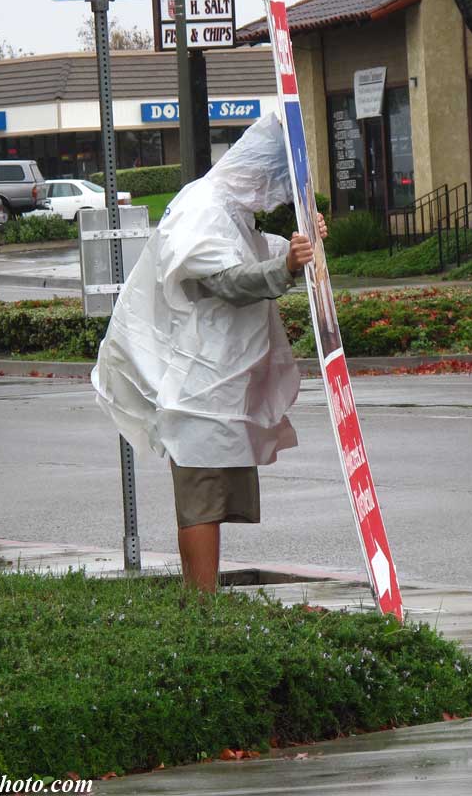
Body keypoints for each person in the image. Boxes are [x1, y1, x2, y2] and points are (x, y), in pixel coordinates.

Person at [92, 112, 327, 591]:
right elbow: (227, 279)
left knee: (212, 495)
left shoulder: (231, 212)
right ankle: (200, 611)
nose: (273, 195)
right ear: (259, 172)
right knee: (200, 497)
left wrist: (300, 247)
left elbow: (253, 252)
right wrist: (284, 265)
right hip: (195, 386)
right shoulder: (204, 206)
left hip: (216, 383)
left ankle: (204, 605)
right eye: (275, 184)